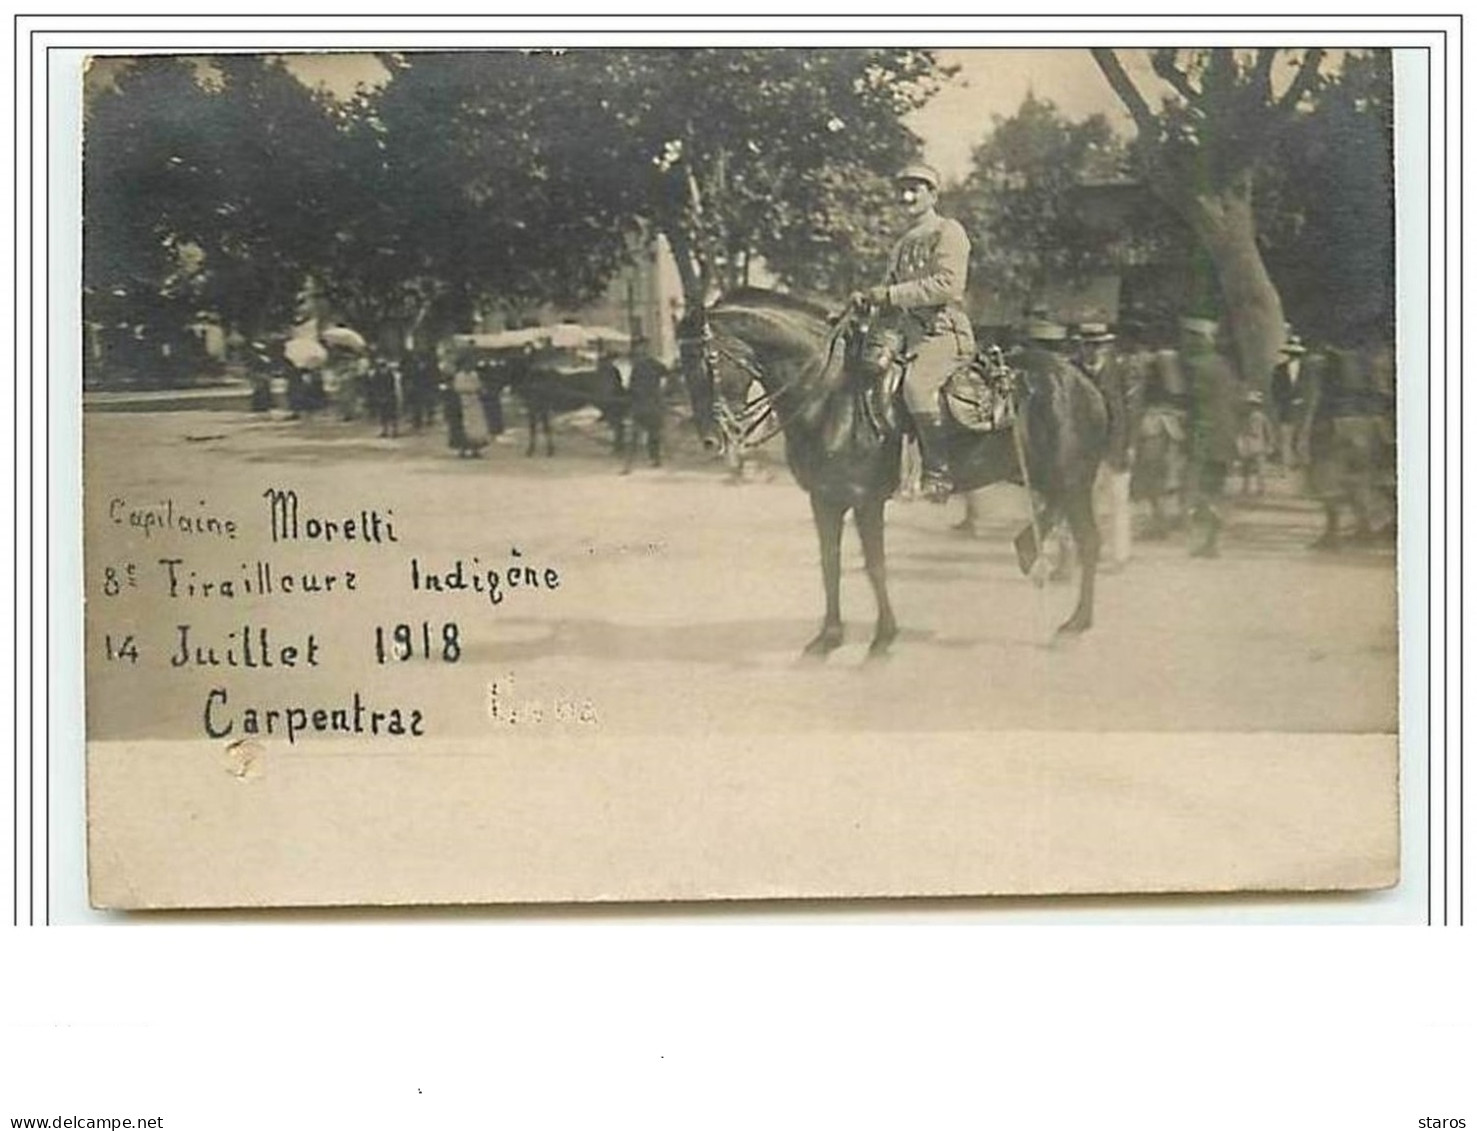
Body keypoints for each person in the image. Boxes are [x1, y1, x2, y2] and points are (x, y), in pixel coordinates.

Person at [852, 162, 974, 502]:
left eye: (915, 190)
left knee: (917, 387)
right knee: (867, 377)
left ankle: (939, 472)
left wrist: (891, 295)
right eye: (903, 190)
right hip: (906, 336)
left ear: (933, 195)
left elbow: (947, 285)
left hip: (943, 333)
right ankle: (887, 472)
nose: (906, 197)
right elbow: (891, 290)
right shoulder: (903, 243)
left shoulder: (949, 231)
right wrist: (868, 300)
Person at [1077, 321, 1141, 569]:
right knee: (1089, 503)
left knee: (1118, 501)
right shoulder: (1074, 370)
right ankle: (1093, 551)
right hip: (1084, 449)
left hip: (1116, 445)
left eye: (1097, 346)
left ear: (1106, 347)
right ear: (1081, 346)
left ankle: (1119, 555)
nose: (1092, 351)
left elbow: (1132, 411)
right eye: (1087, 345)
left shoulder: (1121, 371)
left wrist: (1131, 445)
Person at [1180, 315, 1241, 558]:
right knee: (1215, 488)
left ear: (1201, 340)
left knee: (1199, 489)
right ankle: (1211, 541)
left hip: (1203, 434)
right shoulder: (1225, 366)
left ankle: (1207, 537)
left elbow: (1192, 402)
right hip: (1225, 434)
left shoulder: (1196, 365)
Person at [623, 336, 668, 473]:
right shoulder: (649, 363)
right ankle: (653, 460)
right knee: (649, 433)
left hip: (645, 403)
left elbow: (631, 387)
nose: (643, 349)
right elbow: (666, 372)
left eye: (644, 347)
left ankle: (631, 465)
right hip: (649, 403)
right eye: (643, 347)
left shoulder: (640, 364)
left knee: (641, 434)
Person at [1270, 330, 1307, 471]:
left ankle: (1300, 463)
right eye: (1291, 353)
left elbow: (1308, 388)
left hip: (1302, 409)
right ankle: (1285, 465)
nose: (1293, 356)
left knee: (1301, 436)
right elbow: (1274, 388)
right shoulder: (1279, 369)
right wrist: (1281, 401)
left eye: (1295, 353)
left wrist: (1301, 399)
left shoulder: (1306, 369)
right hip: (1285, 408)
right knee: (1285, 437)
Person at [1235, 389, 1276, 496]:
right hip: (1252, 444)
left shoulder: (1260, 417)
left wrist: (1270, 443)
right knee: (1249, 469)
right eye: (1251, 405)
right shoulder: (1248, 417)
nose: (1252, 407)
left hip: (1256, 444)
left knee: (1258, 469)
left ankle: (1259, 489)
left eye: (1254, 405)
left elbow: (1268, 431)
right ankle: (1248, 488)